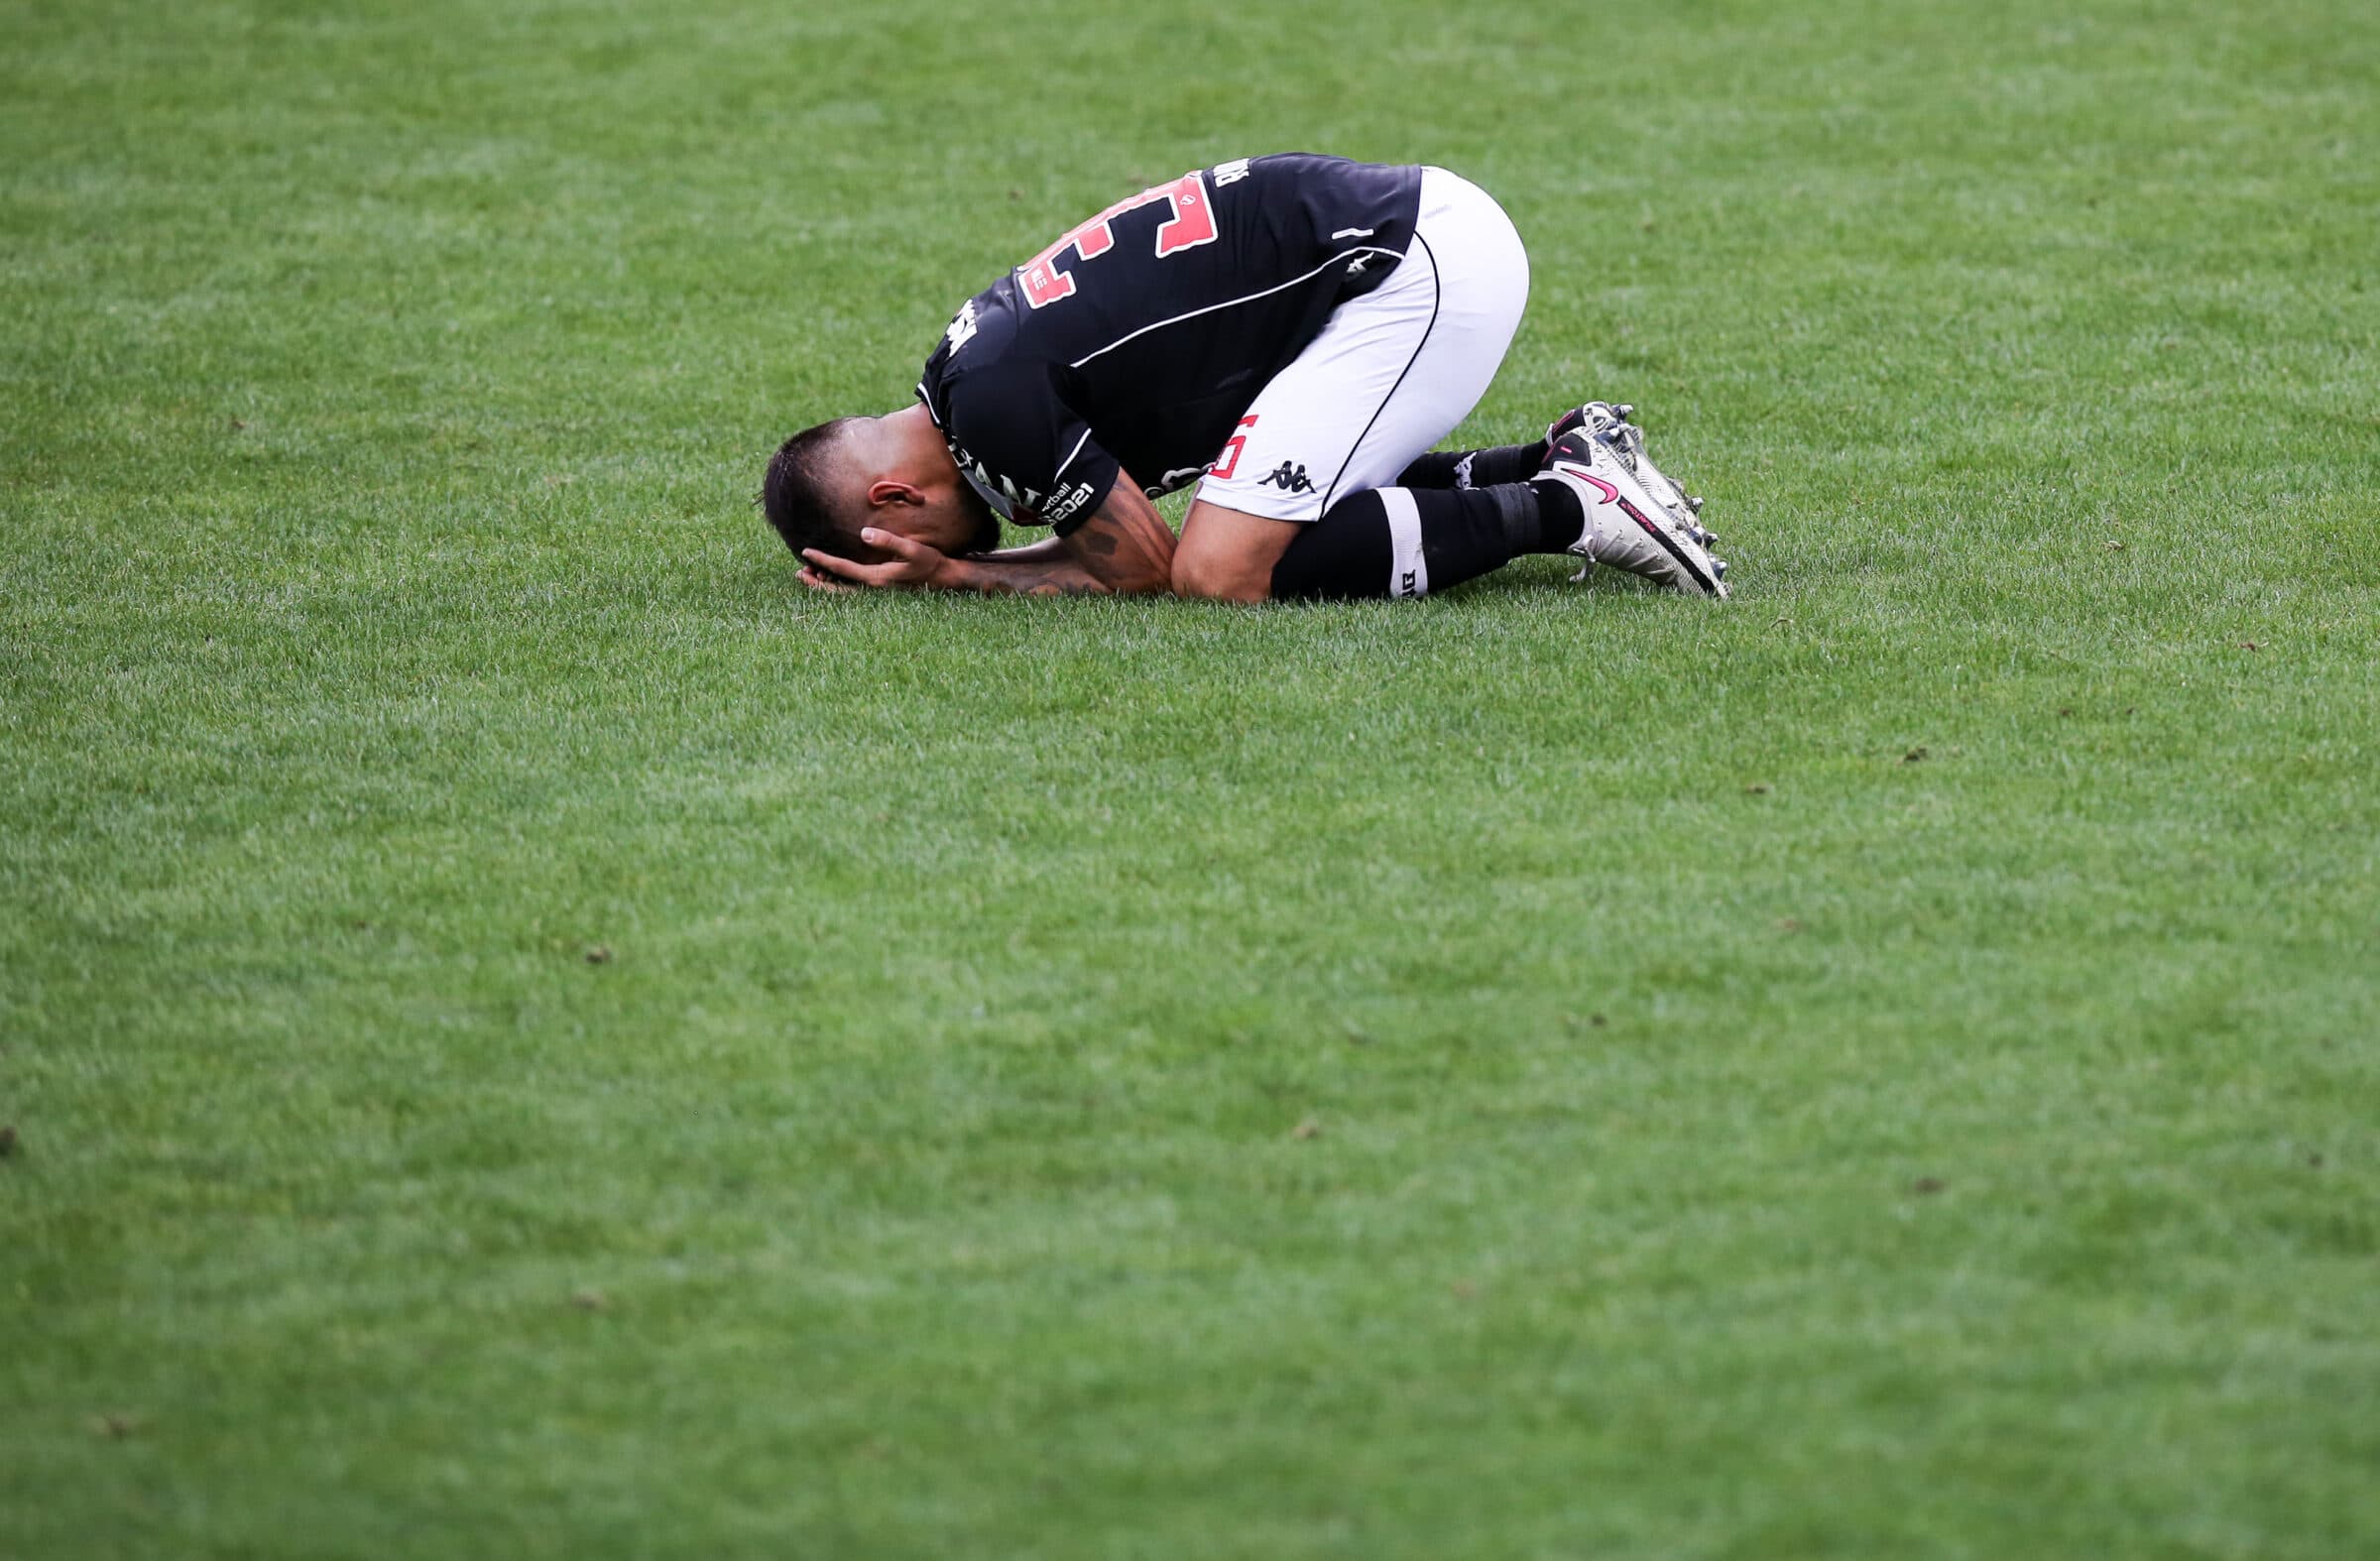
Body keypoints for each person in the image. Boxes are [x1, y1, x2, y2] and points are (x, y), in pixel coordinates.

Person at [761, 153, 1728, 603]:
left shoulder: (988, 411)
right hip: (1409, 239)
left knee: (1223, 569)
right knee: (1251, 512)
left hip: (1411, 269)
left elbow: (1145, 569)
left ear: (893, 498)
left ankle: (1575, 504)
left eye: (899, 544)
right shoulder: (963, 369)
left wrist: (955, 574)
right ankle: (1552, 459)